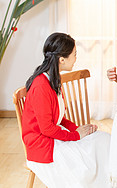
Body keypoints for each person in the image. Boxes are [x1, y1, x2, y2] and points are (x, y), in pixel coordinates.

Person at [21, 33, 111, 188]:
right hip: (42, 145)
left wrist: (77, 129)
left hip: (52, 135)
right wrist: (75, 135)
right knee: (86, 161)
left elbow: (58, 118)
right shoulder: (41, 86)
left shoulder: (53, 79)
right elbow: (47, 128)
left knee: (103, 139)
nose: (76, 58)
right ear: (61, 60)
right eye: (74, 55)